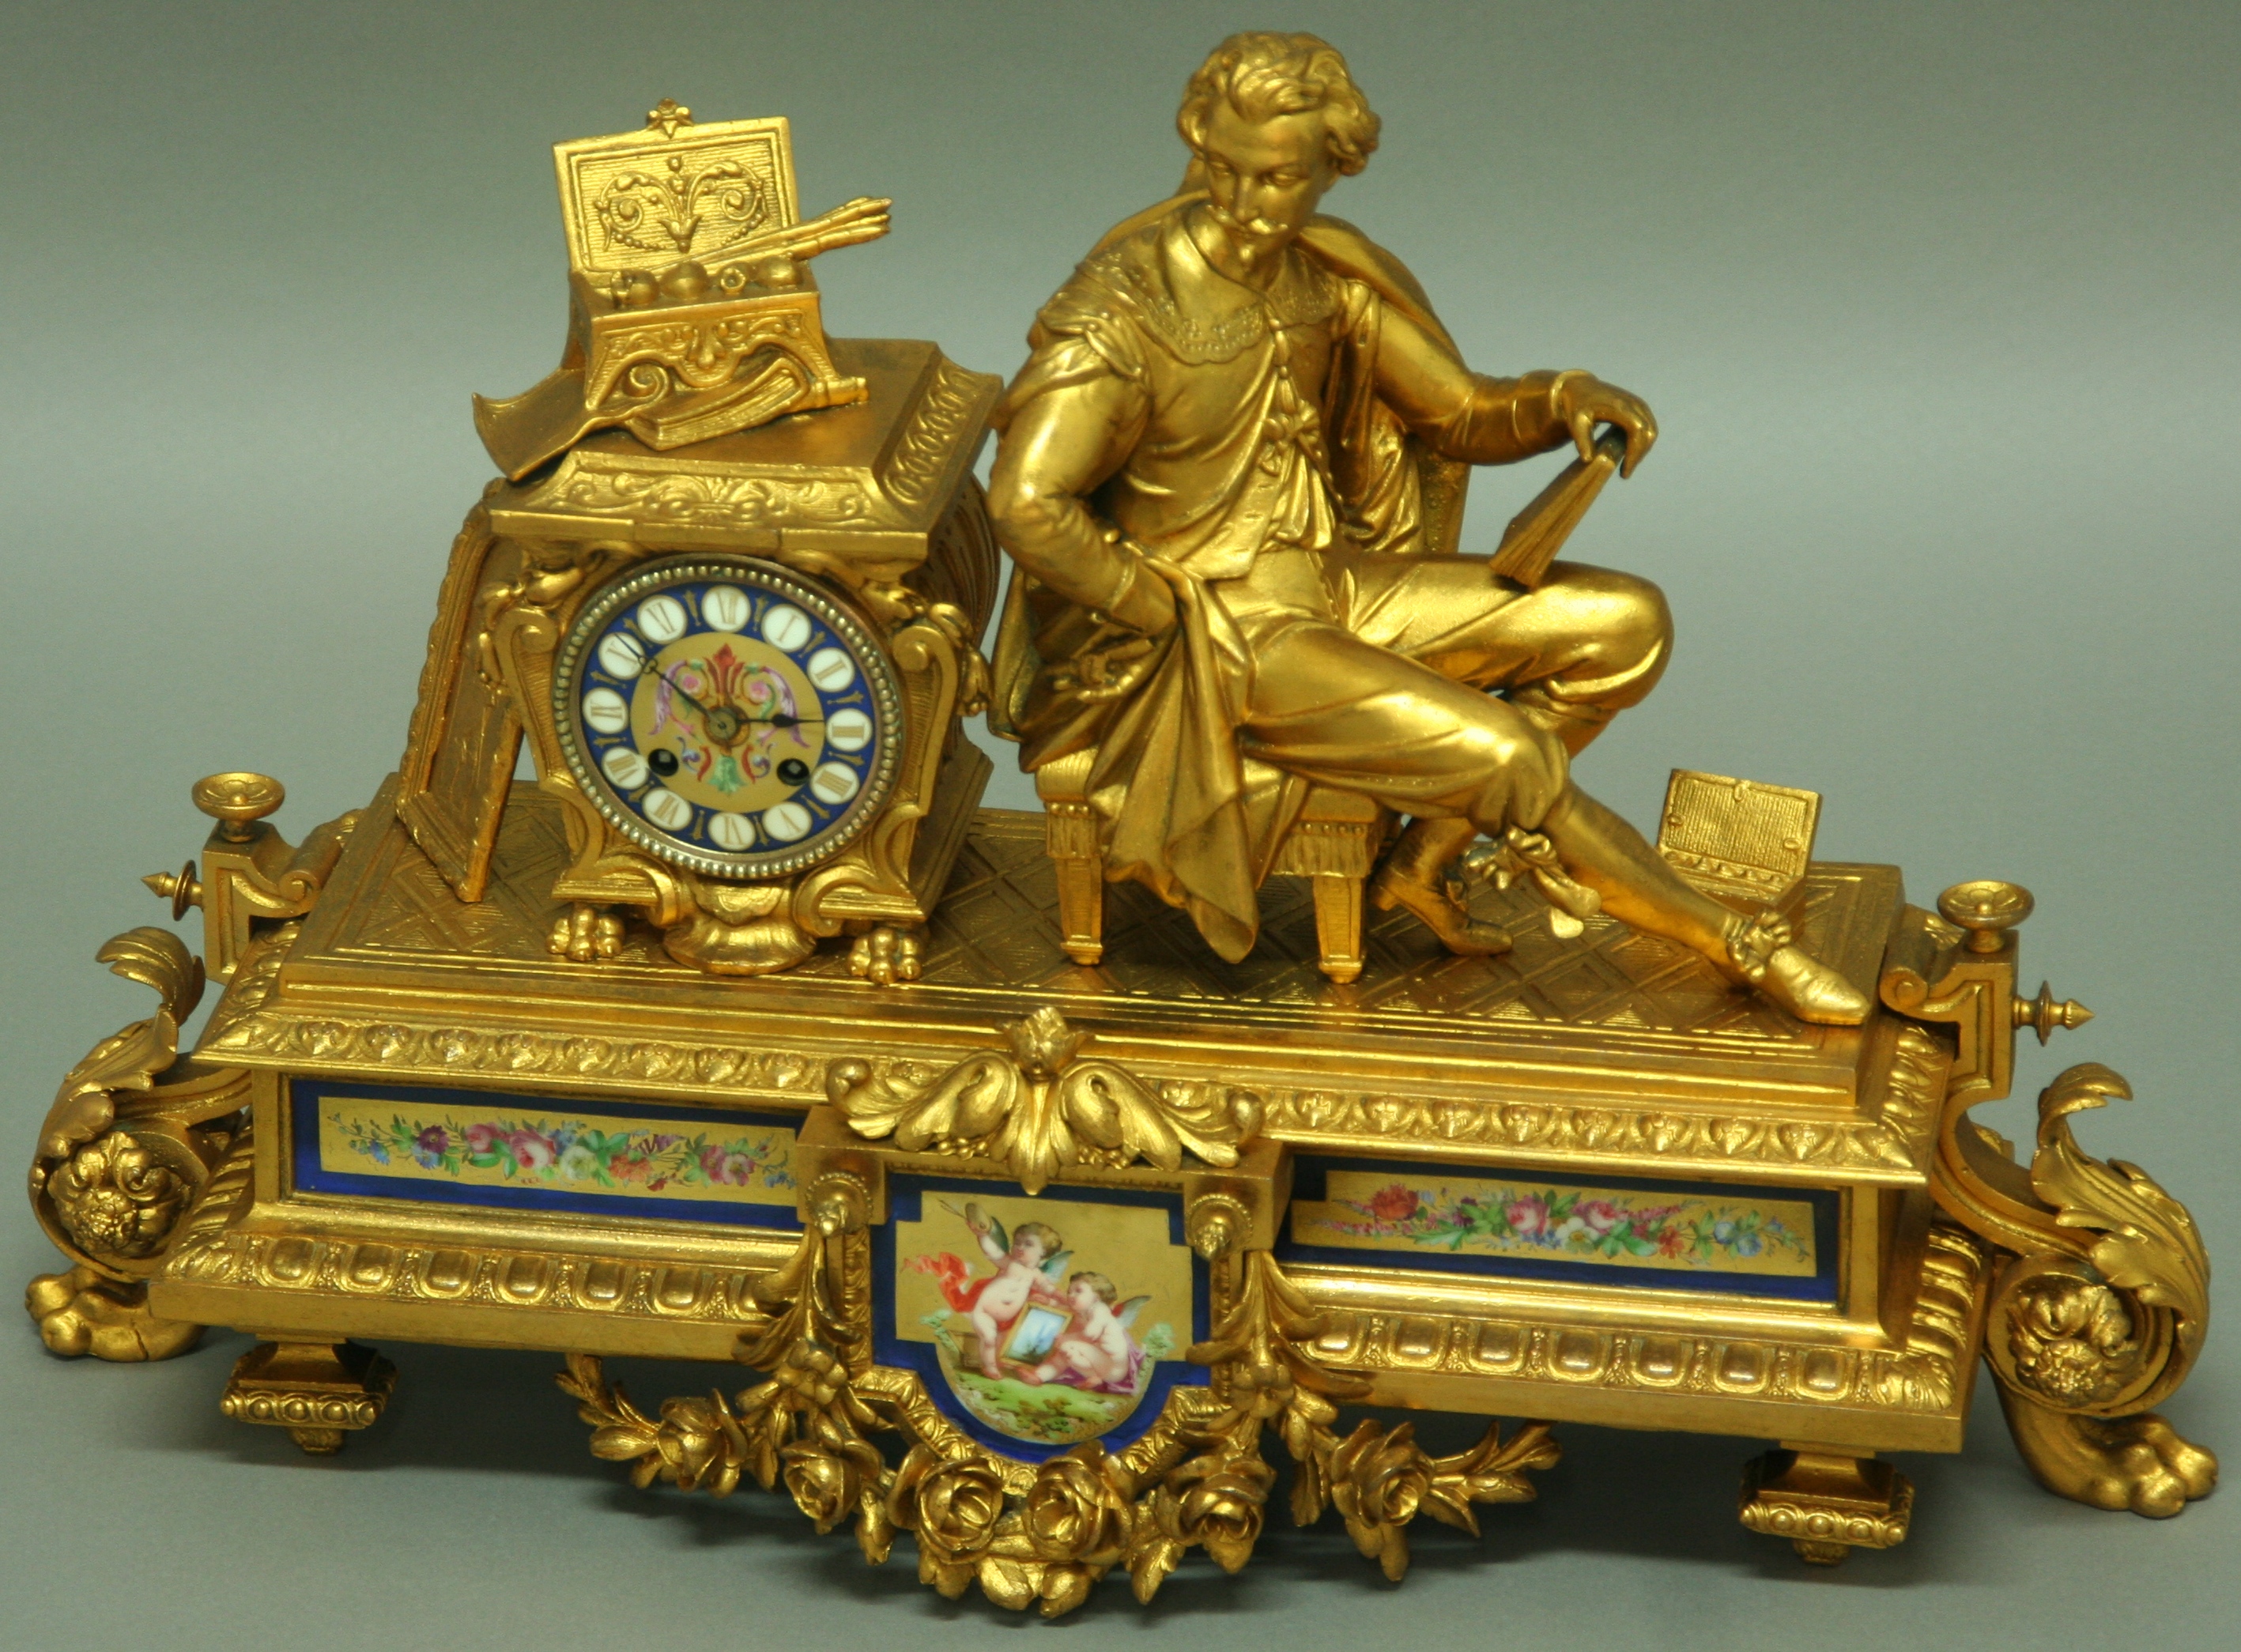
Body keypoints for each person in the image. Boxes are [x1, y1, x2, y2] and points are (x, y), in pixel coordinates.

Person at [985, 31, 1866, 1024]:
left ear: (1332, 169)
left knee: (1625, 624)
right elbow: (1024, 500)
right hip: (1216, 636)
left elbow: (1456, 411)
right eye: (1219, 168)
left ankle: (1419, 861)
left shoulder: (1320, 276)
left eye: (1276, 179)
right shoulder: (1122, 309)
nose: (1240, 204)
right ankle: (1740, 942)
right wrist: (1162, 607)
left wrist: (1560, 397)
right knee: (1510, 756)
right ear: (1197, 139)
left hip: (1328, 589)